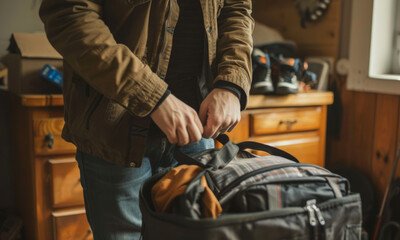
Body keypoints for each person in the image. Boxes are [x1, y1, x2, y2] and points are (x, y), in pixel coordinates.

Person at [39, 0, 254, 239]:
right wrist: (152, 96)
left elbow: (237, 9)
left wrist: (231, 83)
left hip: (198, 131)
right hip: (115, 130)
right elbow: (68, 15)